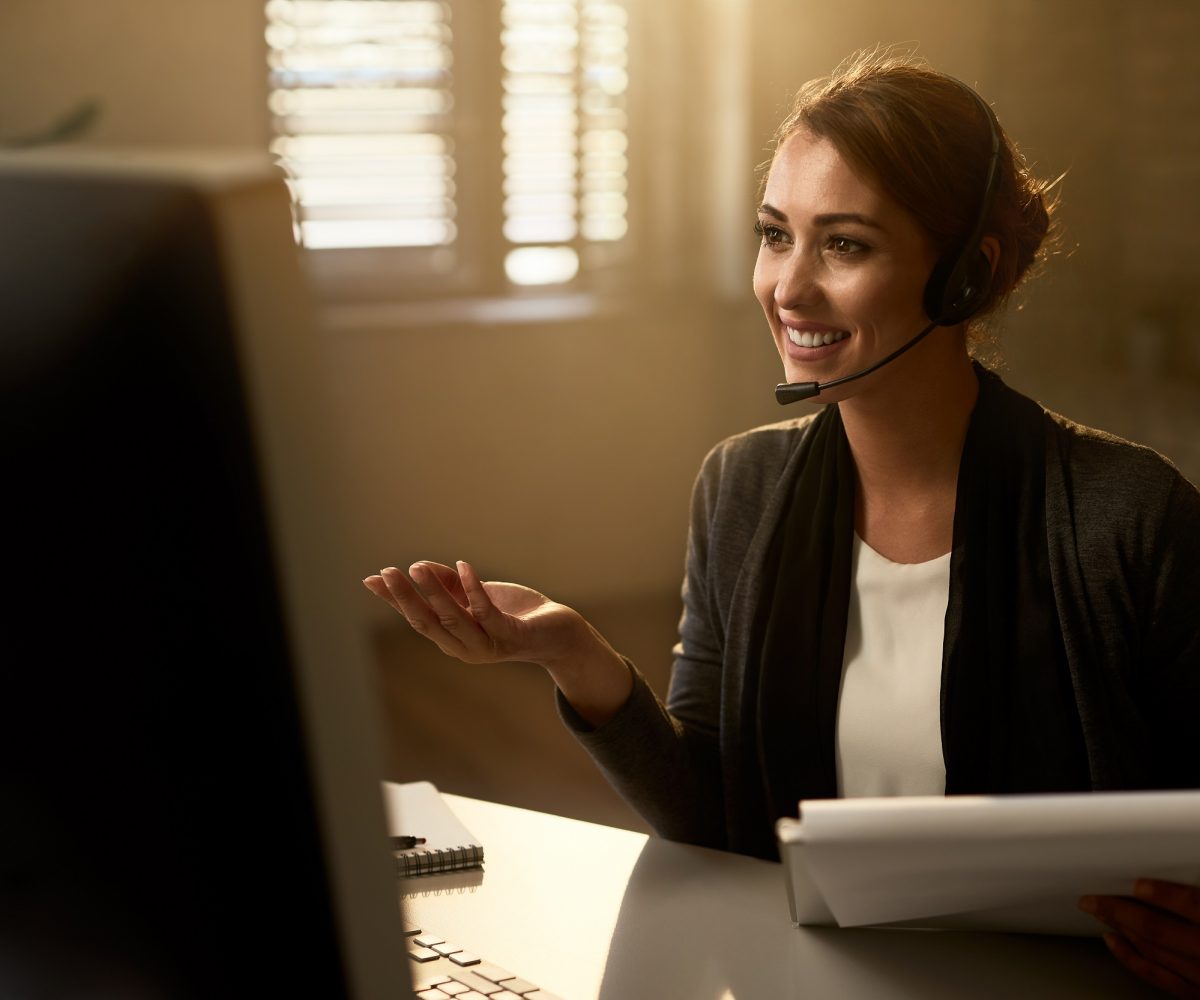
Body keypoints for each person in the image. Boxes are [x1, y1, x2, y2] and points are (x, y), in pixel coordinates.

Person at [364, 50, 1200, 998]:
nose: (787, 288)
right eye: (775, 235)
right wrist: (578, 660)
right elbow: (713, 822)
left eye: (843, 245)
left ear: (968, 274)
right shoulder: (743, 487)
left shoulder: (1130, 516)